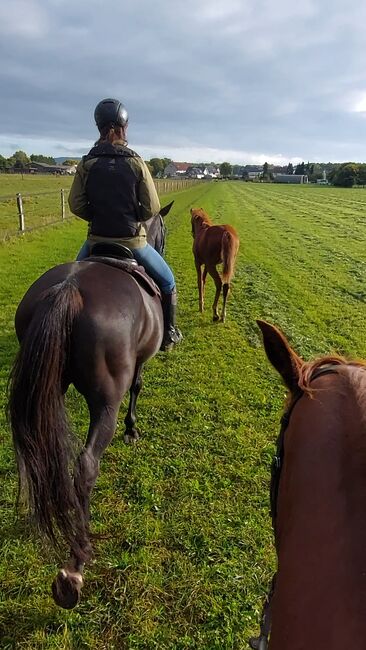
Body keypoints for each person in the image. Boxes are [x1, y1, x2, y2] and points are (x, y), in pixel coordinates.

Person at [68, 98, 182, 351]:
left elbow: (76, 204)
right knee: (168, 281)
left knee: (68, 283)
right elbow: (152, 209)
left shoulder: (86, 163)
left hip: (95, 241)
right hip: (133, 243)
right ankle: (169, 334)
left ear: (98, 127)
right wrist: (131, 216)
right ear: (123, 127)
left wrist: (98, 216)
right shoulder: (136, 162)